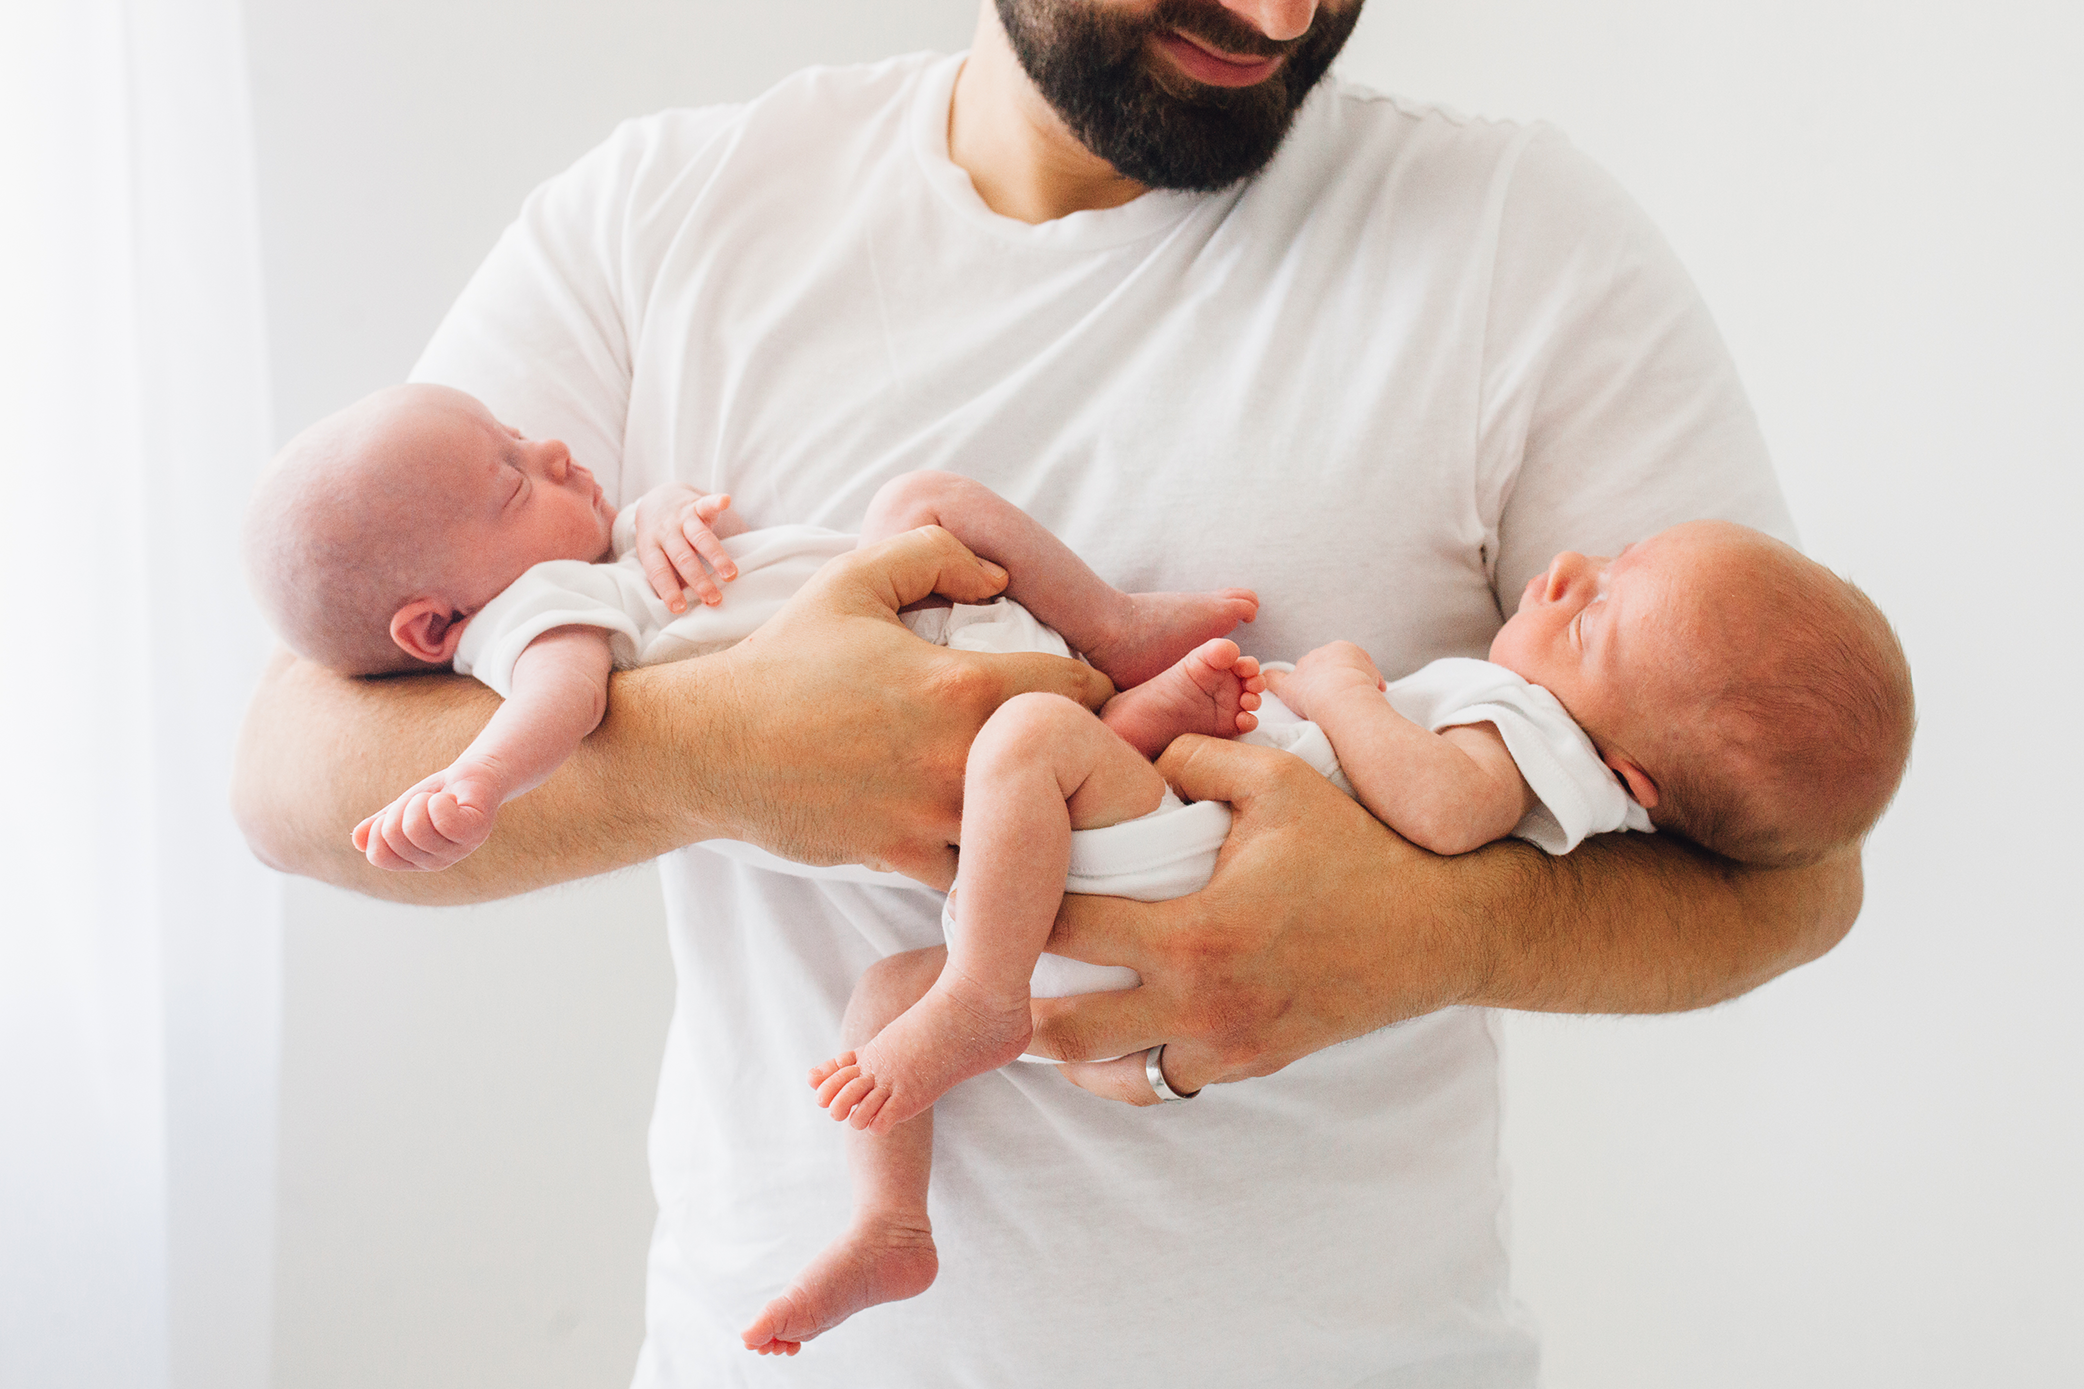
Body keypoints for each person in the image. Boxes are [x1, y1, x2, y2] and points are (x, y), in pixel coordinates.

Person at [231, 2, 1873, 1383]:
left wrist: (1440, 928)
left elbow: (1790, 868)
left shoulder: (1519, 244)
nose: (1282, 15)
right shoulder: (659, 216)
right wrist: (722, 753)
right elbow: (299, 772)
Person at [757, 518, 1911, 1355]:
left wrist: (1347, 687)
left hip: (1175, 881)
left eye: (1600, 609)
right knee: (881, 996)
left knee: (1025, 743)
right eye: (1605, 565)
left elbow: (1447, 808)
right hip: (1155, 896)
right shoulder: (1577, 732)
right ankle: (889, 1222)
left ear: (1632, 774)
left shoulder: (1533, 738)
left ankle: (981, 996)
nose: (1566, 572)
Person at [239, 383, 1258, 871]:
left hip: (923, 619)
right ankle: (1120, 691)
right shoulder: (537, 614)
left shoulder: (596, 559)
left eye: (519, 435)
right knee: (937, 535)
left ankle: (1117, 640)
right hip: (923, 669)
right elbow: (565, 701)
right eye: (513, 482)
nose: (550, 448)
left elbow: (664, 526)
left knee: (919, 499)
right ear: (435, 626)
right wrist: (481, 778)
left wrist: (669, 509)